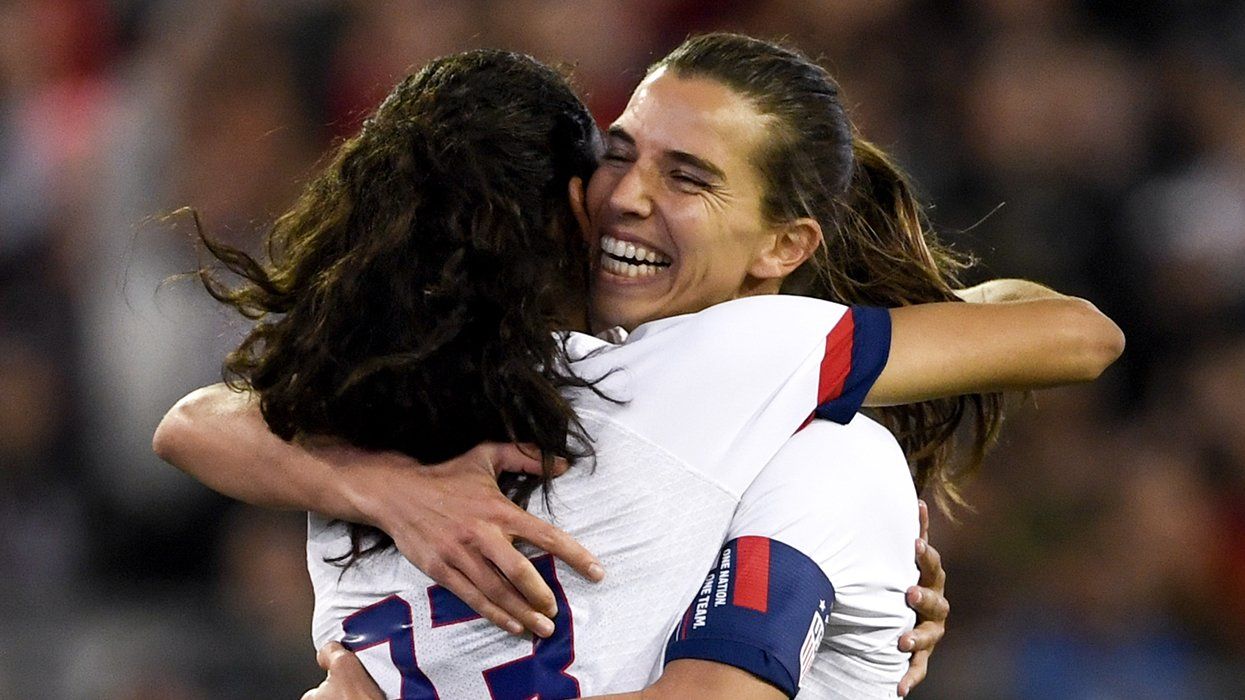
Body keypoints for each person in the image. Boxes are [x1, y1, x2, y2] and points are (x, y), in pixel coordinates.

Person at [155, 39, 1123, 699]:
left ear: (784, 245)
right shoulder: (730, 373)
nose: (626, 197)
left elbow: (198, 421)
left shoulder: (365, 412)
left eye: (686, 177)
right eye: (618, 156)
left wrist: (370, 484)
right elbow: (1071, 331)